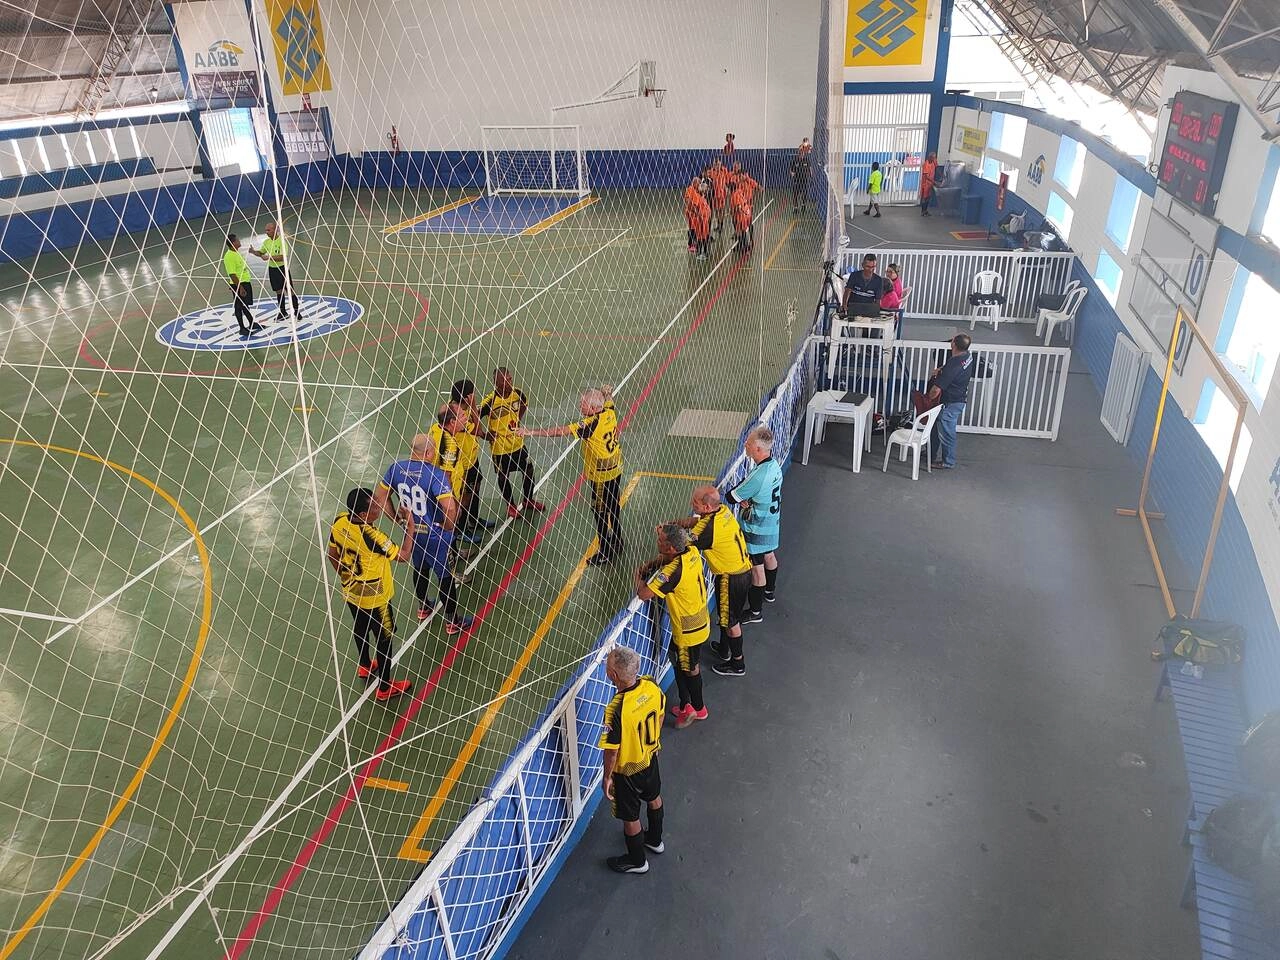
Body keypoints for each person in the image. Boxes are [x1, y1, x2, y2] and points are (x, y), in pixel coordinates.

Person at [373, 433, 473, 635]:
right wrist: (448, 525)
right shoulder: (435, 474)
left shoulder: (396, 468)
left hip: (413, 533)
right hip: (435, 535)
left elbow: (381, 497)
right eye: (433, 450)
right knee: (445, 576)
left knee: (420, 569)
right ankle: (453, 621)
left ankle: (424, 607)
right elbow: (450, 508)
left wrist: (396, 519)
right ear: (428, 452)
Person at [326, 487, 415, 701]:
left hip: (351, 591)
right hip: (376, 598)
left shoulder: (340, 521)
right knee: (385, 639)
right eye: (376, 505)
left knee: (360, 626)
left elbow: (332, 555)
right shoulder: (372, 536)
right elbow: (403, 556)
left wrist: (346, 576)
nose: (380, 506)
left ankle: (365, 665)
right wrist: (410, 526)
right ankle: (384, 688)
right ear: (364, 515)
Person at [517, 386, 622, 566]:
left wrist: (531, 432)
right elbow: (609, 398)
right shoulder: (609, 411)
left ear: (595, 408)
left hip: (600, 478)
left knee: (600, 513)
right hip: (616, 469)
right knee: (614, 507)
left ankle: (605, 551)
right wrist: (606, 393)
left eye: (584, 404)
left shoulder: (590, 424)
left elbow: (560, 431)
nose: (580, 405)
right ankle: (618, 541)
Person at [668, 485, 752, 677]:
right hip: (741, 571)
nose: (691, 504)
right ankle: (724, 650)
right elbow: (696, 523)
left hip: (730, 579)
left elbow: (681, 545)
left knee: (731, 622)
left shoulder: (708, 528)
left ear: (706, 507)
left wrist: (668, 533)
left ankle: (738, 663)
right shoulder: (722, 512)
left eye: (695, 502)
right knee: (727, 617)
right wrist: (679, 522)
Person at [599, 645, 666, 874]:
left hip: (627, 771)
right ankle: (655, 840)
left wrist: (607, 777)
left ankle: (637, 861)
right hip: (649, 758)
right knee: (654, 796)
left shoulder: (615, 709)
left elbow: (612, 750)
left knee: (630, 817)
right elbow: (661, 712)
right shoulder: (651, 685)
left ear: (614, 676)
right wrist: (655, 742)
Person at [635, 523, 709, 728]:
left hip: (687, 631)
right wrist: (652, 563)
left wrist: (639, 574)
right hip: (699, 620)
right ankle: (693, 705)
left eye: (661, 541)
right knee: (685, 665)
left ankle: (692, 709)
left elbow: (643, 594)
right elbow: (666, 560)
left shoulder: (672, 572)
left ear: (672, 549)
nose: (657, 541)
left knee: (686, 668)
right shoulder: (691, 552)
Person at [725, 426, 782, 622]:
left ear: (758, 449)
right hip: (772, 522)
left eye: (748, 443)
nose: (745, 445)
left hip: (756, 528)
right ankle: (769, 593)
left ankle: (755, 611)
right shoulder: (774, 466)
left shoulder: (758, 476)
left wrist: (744, 496)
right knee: (770, 555)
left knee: (757, 569)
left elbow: (731, 496)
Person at [479, 367, 545, 519]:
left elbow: (524, 404)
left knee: (528, 470)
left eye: (509, 378)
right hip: (500, 449)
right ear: (496, 383)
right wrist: (483, 434)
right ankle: (510, 506)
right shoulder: (490, 401)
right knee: (503, 476)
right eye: (505, 380)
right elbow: (475, 416)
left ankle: (528, 500)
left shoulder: (518, 393)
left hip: (518, 444)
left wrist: (517, 421)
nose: (509, 382)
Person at [450, 379, 496, 537]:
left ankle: (474, 520)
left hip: (472, 458)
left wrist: (485, 436)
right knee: (464, 496)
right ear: (468, 396)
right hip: (462, 464)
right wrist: (474, 405)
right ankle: (460, 529)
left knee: (475, 486)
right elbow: (476, 429)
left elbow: (478, 433)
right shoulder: (458, 413)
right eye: (472, 393)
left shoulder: (462, 408)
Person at [928, 333, 974, 469]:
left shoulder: (953, 366)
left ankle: (948, 461)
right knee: (936, 427)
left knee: (947, 432)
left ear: (953, 344)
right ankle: (931, 452)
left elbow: (936, 390)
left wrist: (928, 398)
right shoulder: (966, 356)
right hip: (957, 399)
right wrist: (940, 370)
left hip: (950, 403)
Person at [250, 222, 300, 322]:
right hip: (273, 270)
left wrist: (269, 257)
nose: (266, 232)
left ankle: (297, 312)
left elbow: (283, 256)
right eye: (266, 230)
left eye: (268, 230)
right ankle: (283, 312)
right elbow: (261, 253)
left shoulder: (281, 241)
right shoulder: (266, 242)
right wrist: (253, 252)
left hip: (282, 268)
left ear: (275, 230)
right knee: (278, 291)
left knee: (289, 290)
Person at [223, 233, 260, 339]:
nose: (239, 241)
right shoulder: (229, 256)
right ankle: (242, 328)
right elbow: (232, 274)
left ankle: (252, 323)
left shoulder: (235, 252)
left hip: (244, 282)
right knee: (239, 306)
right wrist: (240, 287)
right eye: (238, 240)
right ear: (233, 243)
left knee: (245, 305)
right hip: (239, 284)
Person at [708, 158, 731, 233]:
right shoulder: (711, 171)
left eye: (718, 164)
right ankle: (719, 225)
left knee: (721, 210)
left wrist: (727, 188)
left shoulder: (724, 170)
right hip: (714, 195)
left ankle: (721, 225)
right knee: (717, 211)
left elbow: (727, 181)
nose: (717, 165)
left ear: (720, 163)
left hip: (722, 194)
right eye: (715, 164)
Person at [790, 138, 812, 213]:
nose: (801, 154)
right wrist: (793, 176)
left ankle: (803, 205)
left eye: (802, 153)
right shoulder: (795, 161)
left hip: (804, 180)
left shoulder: (807, 160)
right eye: (800, 153)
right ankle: (795, 208)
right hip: (797, 180)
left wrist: (811, 177)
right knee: (795, 194)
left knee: (804, 194)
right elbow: (792, 170)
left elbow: (810, 169)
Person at [683, 175, 703, 254]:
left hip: (694, 213)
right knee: (692, 228)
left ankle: (693, 244)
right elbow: (687, 200)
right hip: (691, 213)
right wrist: (693, 209)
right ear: (695, 183)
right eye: (698, 183)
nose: (699, 185)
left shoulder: (696, 191)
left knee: (694, 228)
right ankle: (690, 245)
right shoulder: (690, 189)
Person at [920, 151, 938, 216]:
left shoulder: (933, 162)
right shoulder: (926, 164)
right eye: (933, 157)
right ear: (930, 157)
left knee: (928, 197)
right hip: (925, 184)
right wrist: (934, 182)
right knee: (925, 197)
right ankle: (923, 211)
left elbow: (937, 168)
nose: (934, 159)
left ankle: (926, 211)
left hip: (930, 183)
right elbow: (926, 176)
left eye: (935, 157)